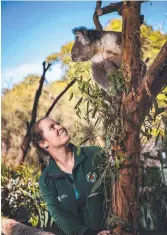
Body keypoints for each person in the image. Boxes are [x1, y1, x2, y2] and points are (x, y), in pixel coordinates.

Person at [31, 117, 110, 235]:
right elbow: (60, 216)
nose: (60, 127)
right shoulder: (46, 180)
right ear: (43, 143)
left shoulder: (95, 154)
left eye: (58, 124)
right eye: (52, 128)